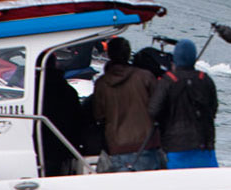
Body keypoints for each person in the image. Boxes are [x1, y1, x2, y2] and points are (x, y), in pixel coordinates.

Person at [92, 37, 163, 172]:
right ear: (128, 53)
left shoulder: (102, 84)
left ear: (109, 55)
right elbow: (159, 108)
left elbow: (99, 115)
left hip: (117, 146)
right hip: (146, 145)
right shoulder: (146, 77)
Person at [148, 39, 219, 169]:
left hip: (175, 146)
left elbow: (154, 110)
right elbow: (213, 109)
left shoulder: (168, 81)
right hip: (205, 145)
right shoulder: (206, 79)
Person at [40, 55, 84, 176]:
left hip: (40, 142)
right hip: (63, 144)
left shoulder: (36, 89)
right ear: (55, 64)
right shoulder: (67, 91)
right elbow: (78, 118)